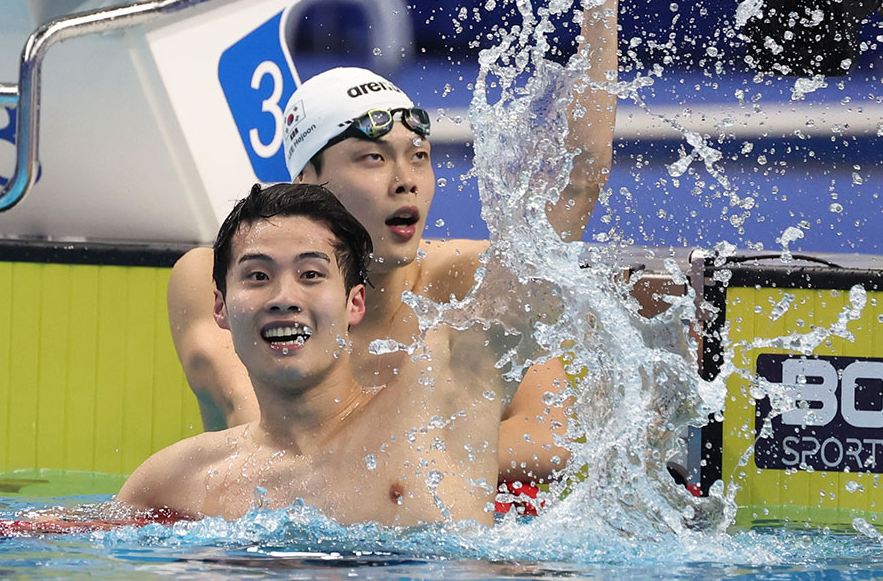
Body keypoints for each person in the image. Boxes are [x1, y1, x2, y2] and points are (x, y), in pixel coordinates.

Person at [169, 0, 622, 487]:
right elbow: (264, 427)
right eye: (372, 158)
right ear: (307, 182)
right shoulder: (233, 277)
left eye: (419, 156)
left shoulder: (470, 282)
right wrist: (414, 453)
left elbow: (550, 438)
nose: (404, 177)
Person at [120, 183, 557, 525]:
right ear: (220, 305)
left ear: (354, 303)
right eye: (257, 276)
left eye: (311, 274)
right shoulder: (175, 481)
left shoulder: (436, 418)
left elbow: (569, 193)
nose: (283, 297)